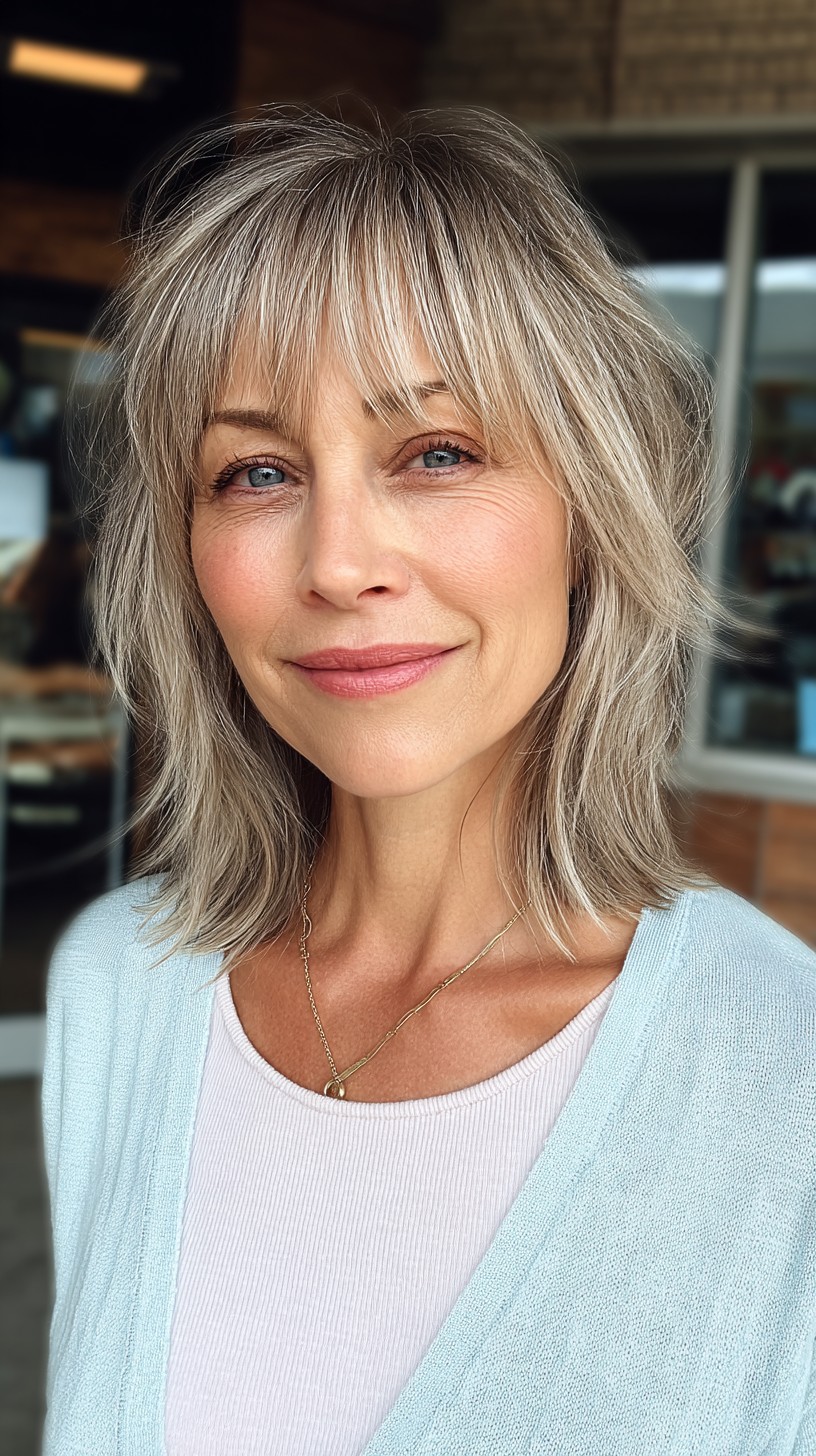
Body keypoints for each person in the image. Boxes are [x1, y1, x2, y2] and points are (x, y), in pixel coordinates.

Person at [40, 105, 816, 1456]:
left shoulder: (784, 1077)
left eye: (436, 453)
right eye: (258, 471)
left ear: (591, 508)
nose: (339, 561)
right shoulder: (118, 988)